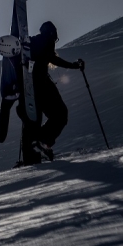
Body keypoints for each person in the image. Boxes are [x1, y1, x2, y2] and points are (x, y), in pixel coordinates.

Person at [22, 20, 84, 163]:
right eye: (55, 37)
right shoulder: (46, 40)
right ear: (51, 33)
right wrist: (74, 66)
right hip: (42, 84)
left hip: (31, 87)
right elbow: (52, 58)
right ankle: (41, 143)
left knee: (36, 121)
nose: (55, 40)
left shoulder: (34, 41)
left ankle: (35, 148)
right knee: (61, 114)